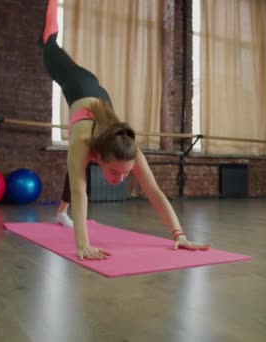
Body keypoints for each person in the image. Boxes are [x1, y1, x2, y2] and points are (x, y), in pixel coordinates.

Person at [40, 0, 210, 260]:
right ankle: (52, 6)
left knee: (76, 166)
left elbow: (154, 192)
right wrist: (83, 244)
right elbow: (80, 190)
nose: (120, 179)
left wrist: (179, 235)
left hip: (99, 97)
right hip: (78, 82)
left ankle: (61, 213)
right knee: (48, 46)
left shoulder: (129, 149)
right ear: (101, 157)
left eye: (125, 173)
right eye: (114, 172)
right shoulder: (83, 140)